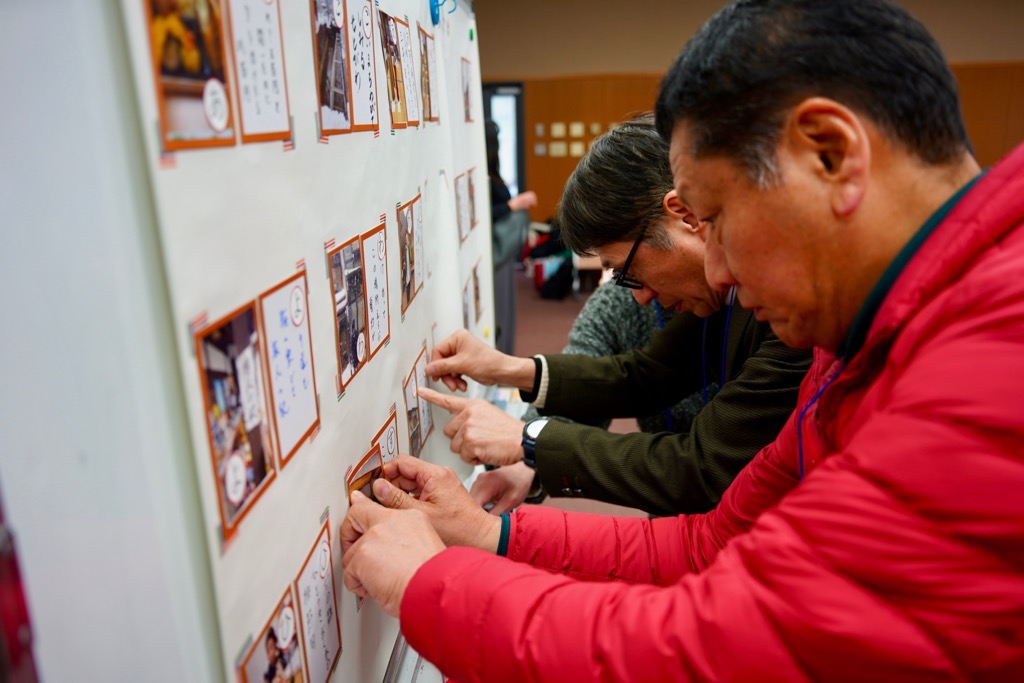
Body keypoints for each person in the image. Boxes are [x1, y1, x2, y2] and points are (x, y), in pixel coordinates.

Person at [342, 1, 1024, 679]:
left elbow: (708, 645)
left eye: (719, 218)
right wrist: (488, 533)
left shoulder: (987, 367)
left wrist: (429, 581)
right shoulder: (858, 345)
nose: (718, 270)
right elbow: (709, 545)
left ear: (831, 152)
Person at [420, 115, 810, 516]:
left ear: (684, 215)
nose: (639, 297)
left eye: (627, 271)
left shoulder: (794, 313)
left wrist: (530, 439)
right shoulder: (720, 295)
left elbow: (701, 467)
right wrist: (504, 368)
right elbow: (644, 376)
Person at [485, 119, 537, 354]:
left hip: (502, 251)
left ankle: (504, 354)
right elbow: (487, 214)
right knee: (498, 309)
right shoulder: (482, 176)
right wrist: (514, 204)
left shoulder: (491, 174)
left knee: (505, 309)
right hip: (493, 252)